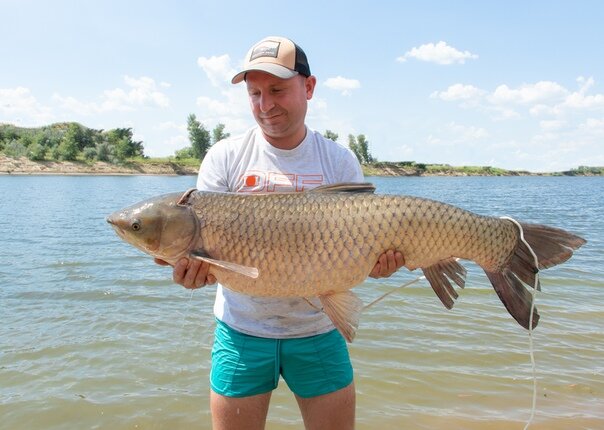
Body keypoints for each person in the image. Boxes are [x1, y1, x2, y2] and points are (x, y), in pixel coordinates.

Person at [157, 36, 404, 430]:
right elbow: (204, 258)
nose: (265, 105)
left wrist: (376, 264)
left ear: (308, 87)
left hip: (319, 329)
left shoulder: (338, 160)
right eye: (254, 93)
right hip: (241, 331)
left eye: (277, 90)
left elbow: (358, 258)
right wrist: (193, 275)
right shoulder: (224, 157)